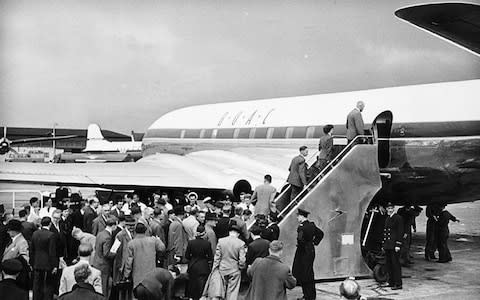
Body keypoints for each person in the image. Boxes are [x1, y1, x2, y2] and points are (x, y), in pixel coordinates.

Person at [124, 223, 166, 294]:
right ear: (145, 230)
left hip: (138, 277)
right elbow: (162, 248)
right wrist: (158, 239)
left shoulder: (131, 243)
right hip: (151, 276)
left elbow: (129, 261)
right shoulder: (153, 240)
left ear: (135, 231)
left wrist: (126, 275)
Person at [292, 208, 324, 300]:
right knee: (308, 273)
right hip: (310, 250)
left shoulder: (301, 227)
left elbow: (300, 239)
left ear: (302, 216)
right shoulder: (312, 225)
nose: (297, 218)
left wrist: (301, 245)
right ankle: (310, 295)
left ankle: (307, 295)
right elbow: (321, 234)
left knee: (303, 273)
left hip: (302, 252)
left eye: (298, 216)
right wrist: (314, 242)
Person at [212, 221, 246, 300]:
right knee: (232, 291)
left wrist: (215, 269)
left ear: (229, 232)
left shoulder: (221, 241)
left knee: (221, 290)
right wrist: (240, 267)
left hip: (222, 268)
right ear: (238, 234)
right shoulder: (241, 243)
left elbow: (217, 257)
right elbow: (242, 260)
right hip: (234, 269)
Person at [31, 216, 58, 300]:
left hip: (36, 262)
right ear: (50, 224)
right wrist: (55, 265)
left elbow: (32, 249)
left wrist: (32, 262)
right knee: (48, 284)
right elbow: (52, 252)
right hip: (48, 263)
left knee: (36, 284)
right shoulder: (51, 235)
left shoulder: (35, 233)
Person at [92, 216, 118, 299]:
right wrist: (115, 253)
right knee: (104, 287)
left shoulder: (100, 233)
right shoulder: (108, 237)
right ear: (113, 226)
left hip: (96, 262)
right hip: (103, 265)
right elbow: (106, 253)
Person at [185, 225, 213, 300]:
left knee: (192, 284)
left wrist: (192, 258)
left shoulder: (191, 243)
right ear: (204, 233)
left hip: (193, 265)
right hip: (203, 266)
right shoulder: (207, 243)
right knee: (201, 286)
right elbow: (210, 257)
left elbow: (187, 256)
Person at [383, 202, 404, 290]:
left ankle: (398, 283)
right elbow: (386, 233)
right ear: (386, 209)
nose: (390, 210)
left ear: (393, 209)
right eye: (388, 208)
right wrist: (384, 244)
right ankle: (391, 281)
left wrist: (398, 244)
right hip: (388, 245)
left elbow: (400, 232)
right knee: (389, 264)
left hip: (394, 245)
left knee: (396, 265)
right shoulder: (388, 218)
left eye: (391, 208)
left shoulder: (398, 218)